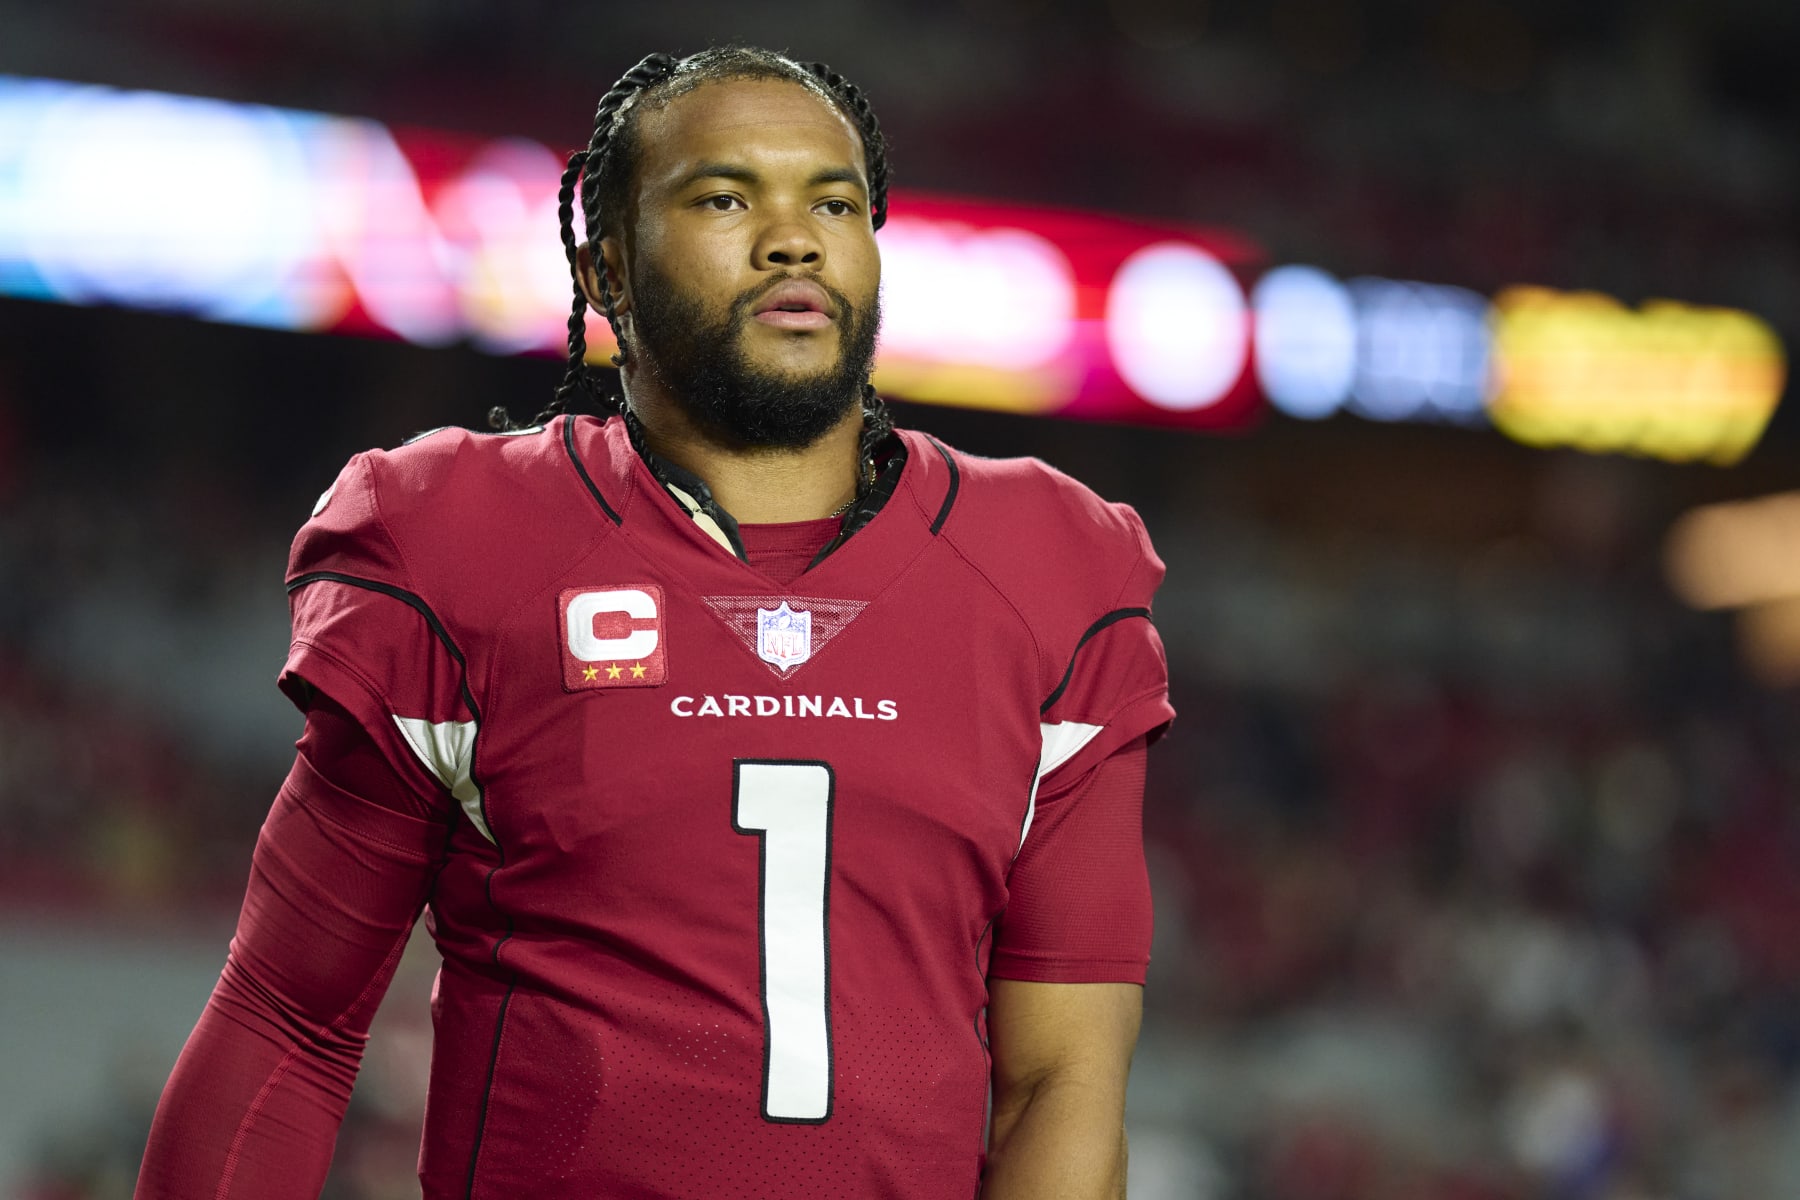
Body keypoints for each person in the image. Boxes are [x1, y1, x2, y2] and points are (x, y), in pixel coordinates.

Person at [136, 45, 1173, 1200]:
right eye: (726, 197)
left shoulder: (1049, 567)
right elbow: (289, 1020)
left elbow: (1063, 1084)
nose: (794, 237)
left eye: (833, 201)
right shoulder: (461, 538)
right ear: (609, 267)